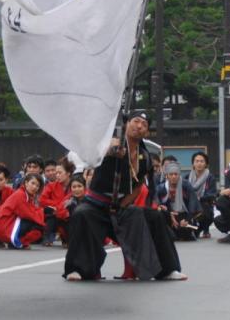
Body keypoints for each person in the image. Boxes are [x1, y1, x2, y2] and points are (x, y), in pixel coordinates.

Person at [63, 111, 187, 282]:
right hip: (96, 204)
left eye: (144, 125)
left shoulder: (145, 157)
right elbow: (91, 155)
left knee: (155, 217)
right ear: (127, 124)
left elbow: (138, 184)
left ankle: (167, 269)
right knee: (81, 214)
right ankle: (78, 269)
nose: (140, 126)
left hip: (121, 207)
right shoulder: (110, 143)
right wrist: (110, 151)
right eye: (136, 121)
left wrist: (123, 204)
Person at [0, 172, 47, 249]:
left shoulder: (27, 195)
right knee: (38, 225)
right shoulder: (20, 195)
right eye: (32, 183)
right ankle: (18, 242)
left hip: (9, 224)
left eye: (37, 186)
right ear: (26, 183)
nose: (34, 187)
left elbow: (30, 211)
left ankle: (20, 242)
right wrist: (43, 212)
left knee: (39, 225)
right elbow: (26, 213)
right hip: (6, 226)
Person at [155, 160, 200, 241]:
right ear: (167, 176)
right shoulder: (160, 188)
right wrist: (169, 214)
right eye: (171, 174)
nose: (173, 176)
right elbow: (157, 204)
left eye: (176, 174)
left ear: (179, 175)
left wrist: (187, 220)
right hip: (168, 216)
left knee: (186, 231)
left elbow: (193, 203)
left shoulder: (186, 185)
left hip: (183, 215)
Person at [39, 158, 73, 245]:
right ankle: (47, 237)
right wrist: (59, 205)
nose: (57, 175)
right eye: (56, 173)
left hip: (69, 215)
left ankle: (67, 237)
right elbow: (42, 200)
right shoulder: (51, 185)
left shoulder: (75, 185)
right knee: (52, 215)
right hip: (55, 213)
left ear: (68, 173)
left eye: (60, 173)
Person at [185, 151, 217, 238]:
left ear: (206, 164)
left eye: (202, 161)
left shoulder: (210, 177)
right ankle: (194, 228)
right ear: (193, 163)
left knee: (205, 209)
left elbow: (212, 194)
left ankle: (205, 228)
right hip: (190, 204)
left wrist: (199, 198)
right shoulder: (187, 177)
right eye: (197, 161)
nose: (199, 163)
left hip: (204, 205)